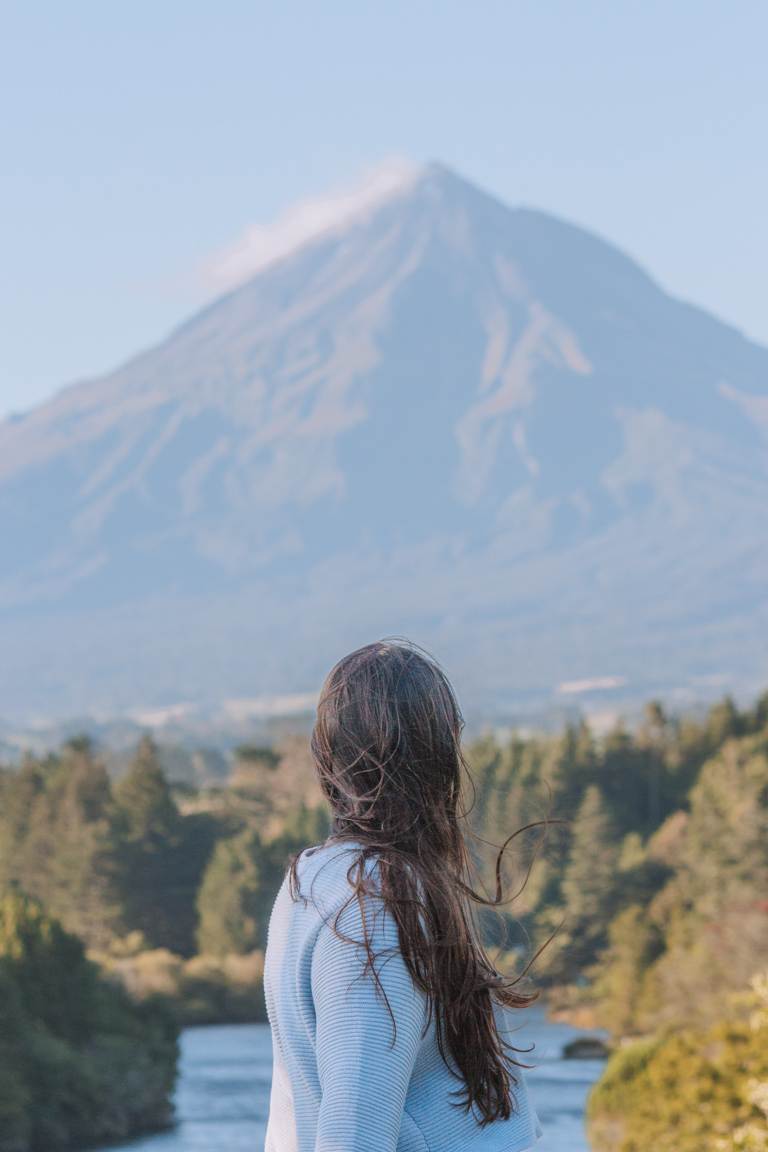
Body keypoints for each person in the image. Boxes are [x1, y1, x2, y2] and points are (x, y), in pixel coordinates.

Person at [264, 639, 543, 1151]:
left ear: (327, 756)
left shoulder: (316, 881)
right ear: (442, 758)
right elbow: (353, 1135)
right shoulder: (374, 906)